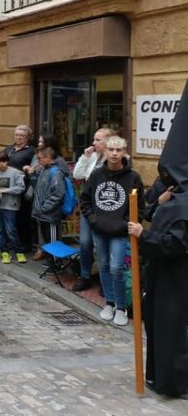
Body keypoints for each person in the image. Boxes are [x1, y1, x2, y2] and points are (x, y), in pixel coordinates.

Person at [128, 80, 188, 398]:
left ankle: (174, 381)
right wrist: (158, 205)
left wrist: (143, 235)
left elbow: (175, 244)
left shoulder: (186, 203)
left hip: (178, 282)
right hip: (162, 279)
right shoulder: (173, 197)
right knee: (158, 326)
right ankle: (158, 375)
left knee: (173, 329)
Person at [79, 136, 143, 326]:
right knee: (104, 265)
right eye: (111, 150)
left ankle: (121, 307)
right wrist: (92, 219)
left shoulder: (133, 177)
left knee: (118, 268)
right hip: (99, 229)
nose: (115, 154)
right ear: (105, 151)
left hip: (120, 231)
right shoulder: (97, 174)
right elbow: (85, 200)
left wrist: (128, 224)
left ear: (124, 152)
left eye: (119, 150)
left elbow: (139, 206)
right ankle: (109, 302)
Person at [71, 127, 116, 292]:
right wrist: (85, 156)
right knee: (85, 243)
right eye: (94, 139)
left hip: (107, 208)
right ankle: (85, 276)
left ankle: (106, 281)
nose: (94, 143)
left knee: (103, 244)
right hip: (89, 206)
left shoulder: (116, 158)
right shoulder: (93, 157)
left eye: (98, 140)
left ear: (108, 141)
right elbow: (77, 174)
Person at [4, 124, 35, 252]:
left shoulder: (31, 150)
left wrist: (26, 172)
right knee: (9, 214)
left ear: (28, 137)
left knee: (23, 216)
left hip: (22, 187)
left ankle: (25, 243)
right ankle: (11, 241)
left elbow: (34, 168)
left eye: (22, 136)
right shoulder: (9, 148)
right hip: (7, 186)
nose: (19, 137)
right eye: (17, 135)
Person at [0, 150, 27, 264]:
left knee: (11, 229)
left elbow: (21, 188)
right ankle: (4, 251)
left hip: (10, 206)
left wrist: (6, 190)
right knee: (0, 230)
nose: (1, 164)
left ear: (7, 161)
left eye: (4, 161)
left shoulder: (15, 172)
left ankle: (18, 251)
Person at [30, 146, 66, 255]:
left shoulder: (56, 173)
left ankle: (56, 263)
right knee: (47, 239)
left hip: (50, 214)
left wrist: (44, 208)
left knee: (53, 240)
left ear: (48, 157)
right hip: (42, 213)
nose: (38, 161)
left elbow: (58, 194)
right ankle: (52, 261)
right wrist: (32, 175)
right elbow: (37, 188)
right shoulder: (43, 170)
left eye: (40, 158)